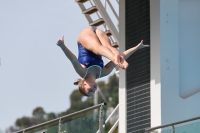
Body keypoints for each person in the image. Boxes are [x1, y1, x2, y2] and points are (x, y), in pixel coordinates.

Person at [56, 27, 149, 97]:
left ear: (84, 84)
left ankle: (113, 57)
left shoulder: (83, 72)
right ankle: (115, 55)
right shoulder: (103, 72)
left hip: (85, 35)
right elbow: (123, 56)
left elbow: (72, 59)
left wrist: (63, 47)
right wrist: (137, 48)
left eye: (90, 91)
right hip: (98, 32)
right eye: (94, 92)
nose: (94, 90)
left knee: (97, 49)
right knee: (110, 49)